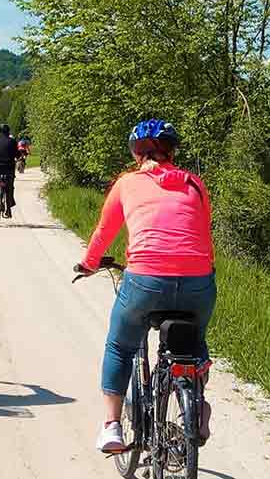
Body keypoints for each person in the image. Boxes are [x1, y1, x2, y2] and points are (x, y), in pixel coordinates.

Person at [80, 119, 216, 453]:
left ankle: (112, 427)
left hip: (146, 279)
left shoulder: (127, 183)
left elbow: (103, 232)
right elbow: (202, 230)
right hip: (198, 280)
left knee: (120, 346)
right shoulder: (194, 183)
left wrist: (88, 264)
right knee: (194, 344)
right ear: (171, 152)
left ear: (136, 154)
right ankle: (197, 408)